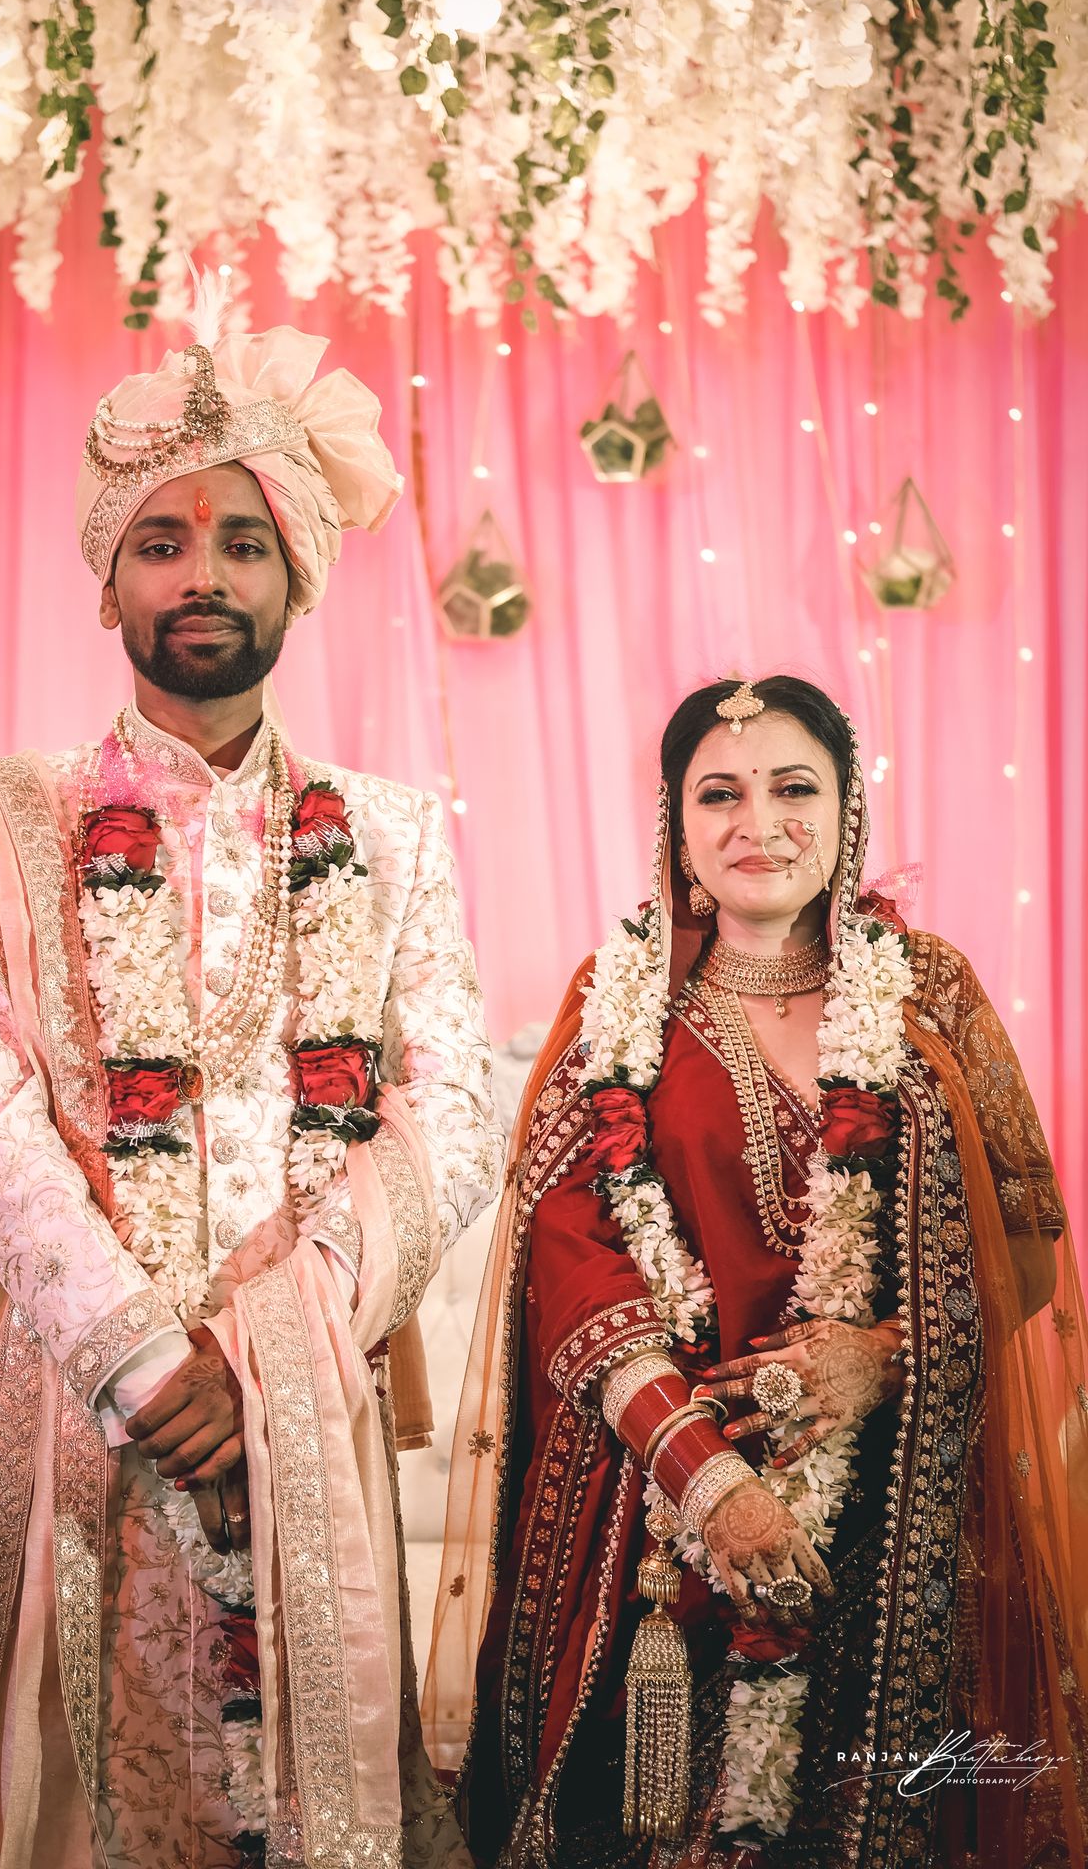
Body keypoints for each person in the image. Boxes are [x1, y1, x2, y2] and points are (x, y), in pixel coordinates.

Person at [0, 292, 501, 1869]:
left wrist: (295, 1327)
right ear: (108, 586)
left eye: (242, 540)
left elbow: (453, 1105)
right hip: (83, 1406)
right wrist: (152, 1364)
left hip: (313, 1384)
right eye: (162, 540)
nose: (202, 573)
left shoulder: (400, 833)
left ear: (297, 577)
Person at [425, 674, 1088, 1868]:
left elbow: (1027, 1242)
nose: (757, 823)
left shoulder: (930, 993)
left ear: (845, 814)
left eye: (794, 788)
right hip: (661, 1500)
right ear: (674, 833)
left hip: (897, 1496)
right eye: (717, 795)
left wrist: (880, 1357)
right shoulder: (617, 1003)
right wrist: (706, 1478)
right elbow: (567, 1261)